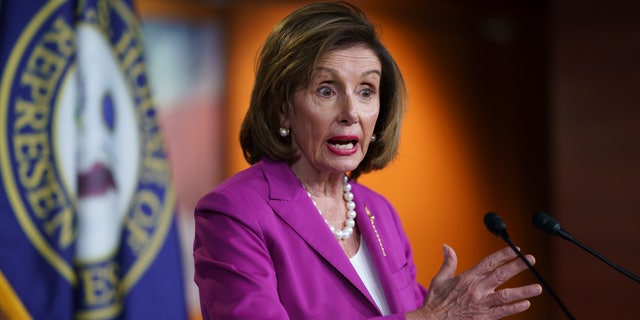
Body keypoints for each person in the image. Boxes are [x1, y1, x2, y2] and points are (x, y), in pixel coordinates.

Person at [193, 1, 543, 319]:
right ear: (283, 109)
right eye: (326, 90)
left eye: (366, 91)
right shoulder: (234, 212)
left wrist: (443, 311)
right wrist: (430, 318)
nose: (351, 112)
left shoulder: (379, 212)